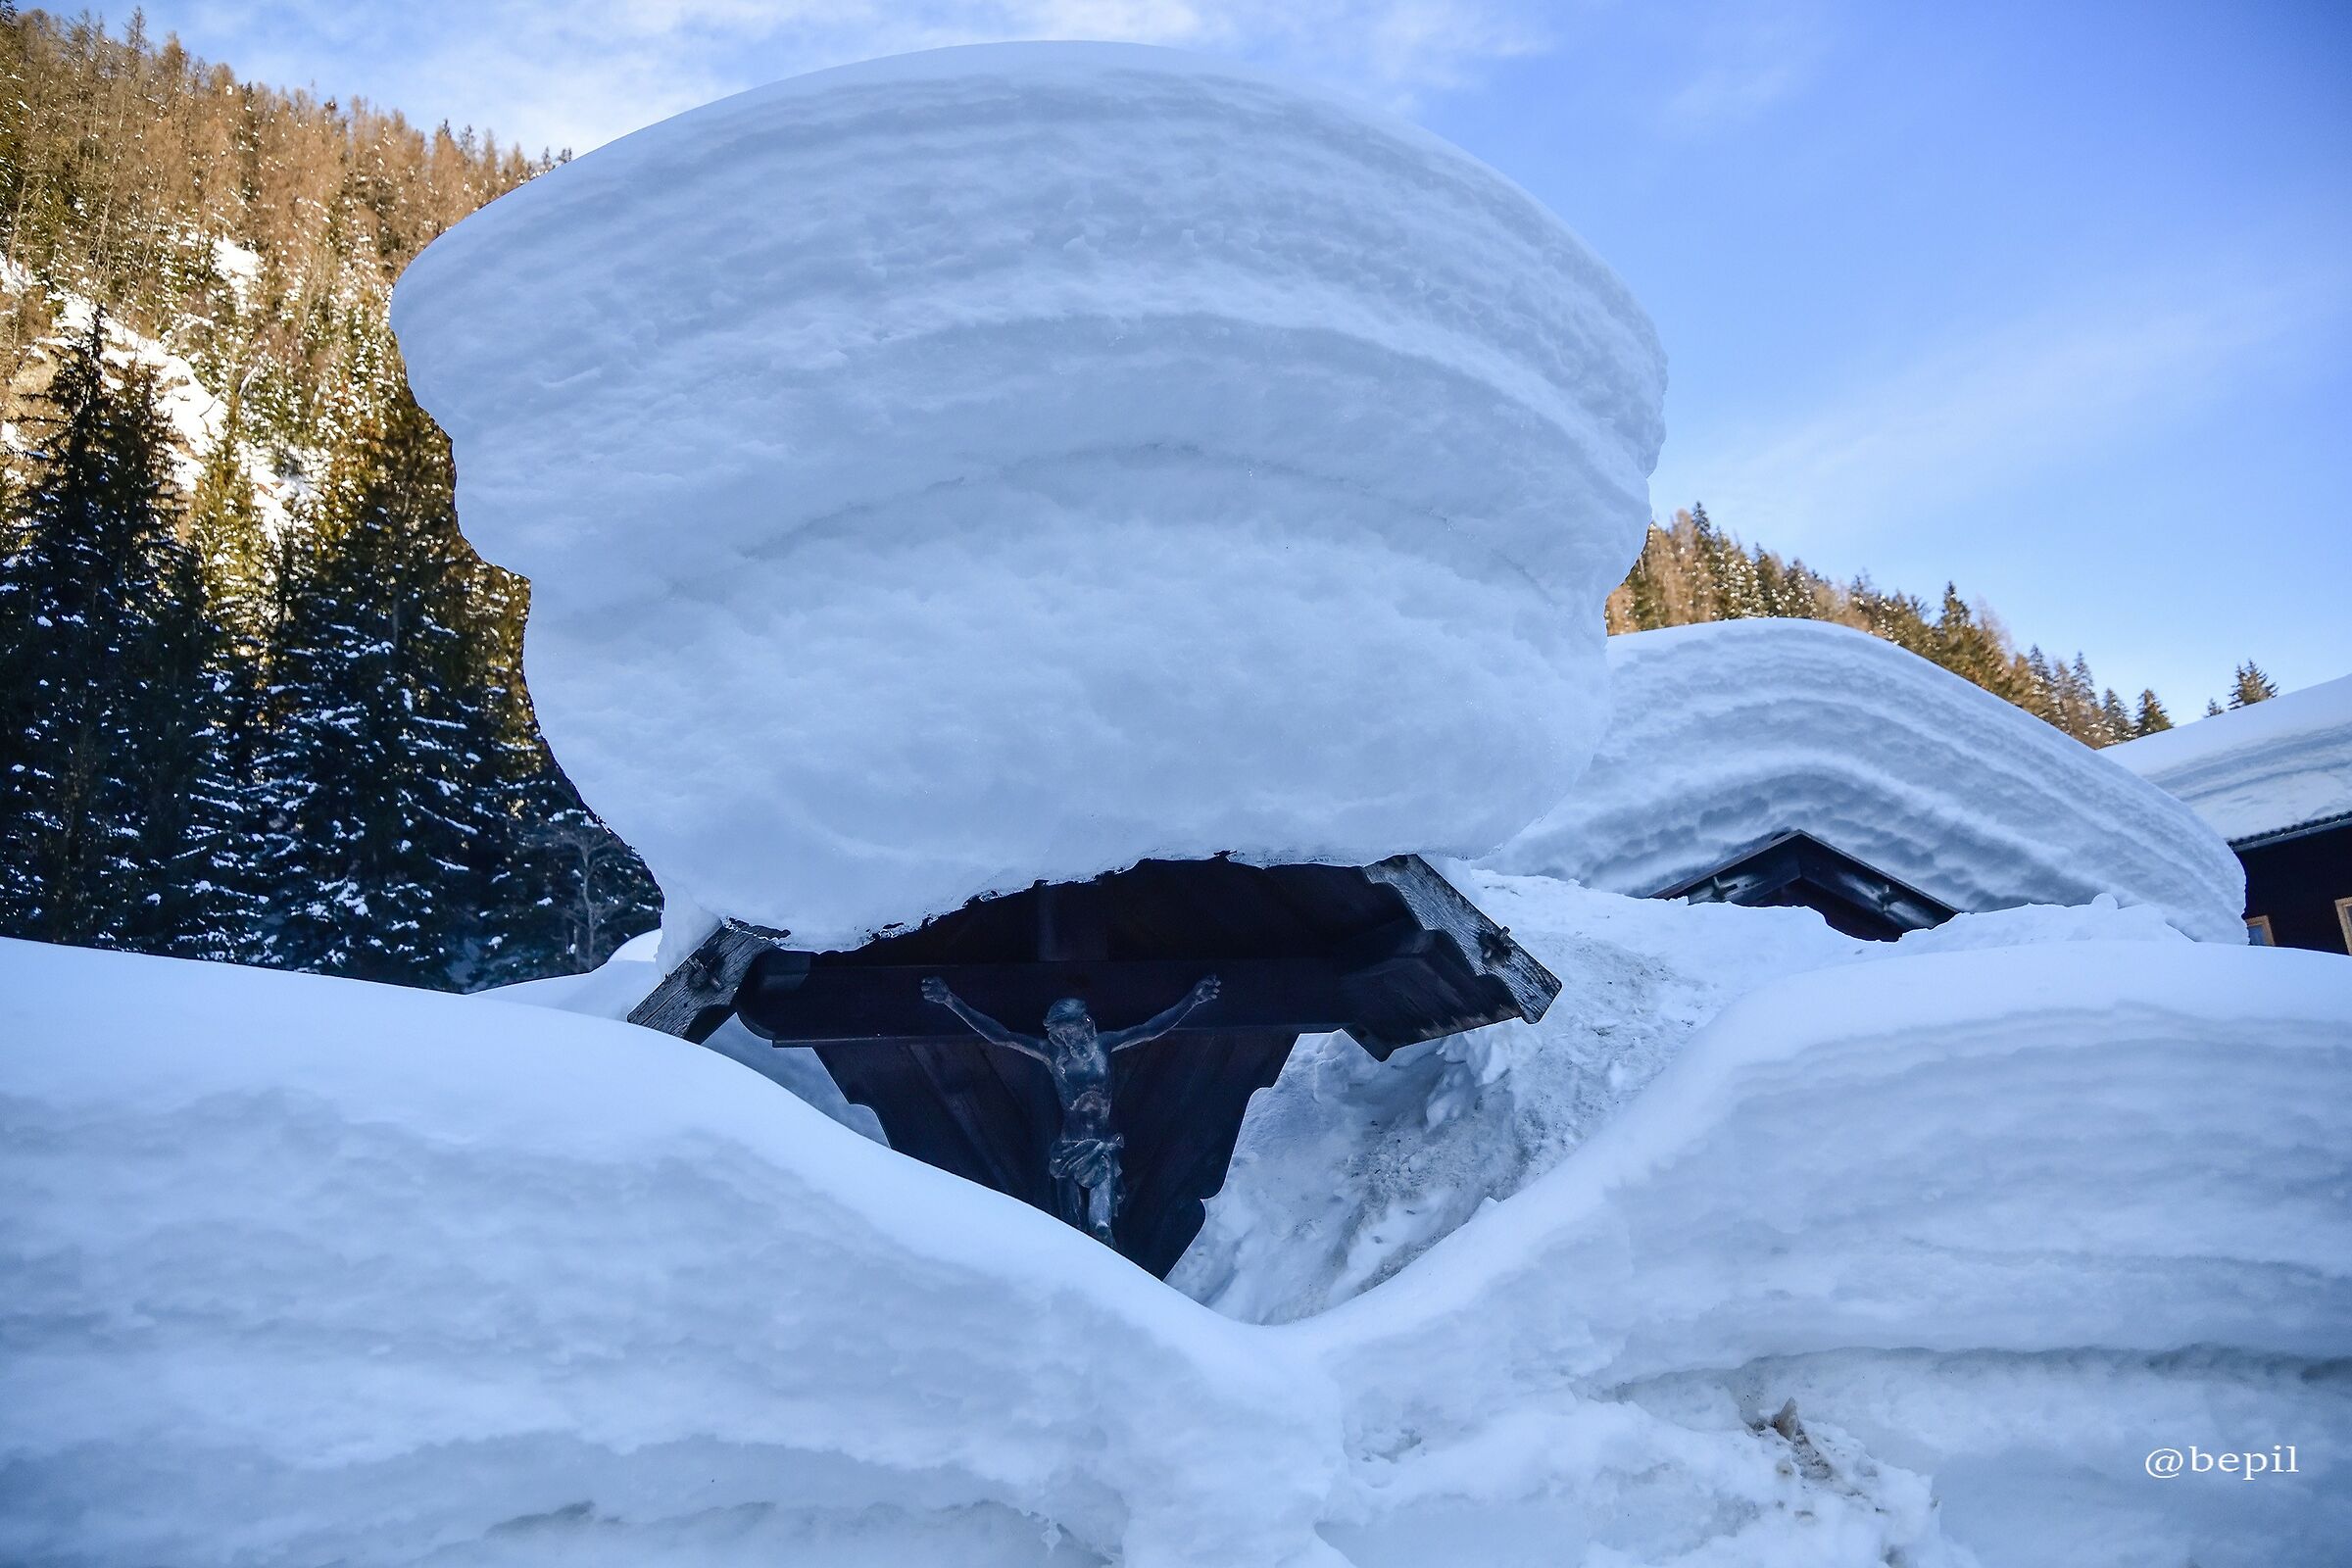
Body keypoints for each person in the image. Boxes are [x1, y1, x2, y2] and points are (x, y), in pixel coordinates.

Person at [919, 973, 1221, 1243]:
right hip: (1068, 1148)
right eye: (1061, 1032)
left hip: (1102, 1144)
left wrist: (1192, 1001)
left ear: (1084, 1024)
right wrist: (950, 1001)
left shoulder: (1104, 1045)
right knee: (1071, 1227)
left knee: (1101, 1224)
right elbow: (1003, 1037)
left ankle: (1109, 1256)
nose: (1066, 1037)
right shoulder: (1053, 1055)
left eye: (1070, 1030)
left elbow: (1150, 1029)